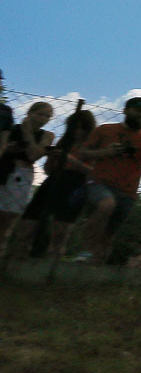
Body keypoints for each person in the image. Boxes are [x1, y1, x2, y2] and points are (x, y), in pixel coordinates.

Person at [78, 97, 141, 262]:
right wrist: (104, 153)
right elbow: (82, 153)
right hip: (100, 183)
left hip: (128, 190)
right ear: (125, 111)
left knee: (110, 232)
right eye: (138, 110)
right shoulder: (105, 130)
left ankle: (96, 263)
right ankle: (85, 250)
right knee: (106, 204)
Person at [13, 107, 96, 260]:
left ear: (87, 128)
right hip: (54, 180)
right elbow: (47, 169)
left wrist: (72, 161)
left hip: (76, 184)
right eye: (73, 126)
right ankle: (18, 260)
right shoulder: (64, 142)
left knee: (61, 231)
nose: (76, 130)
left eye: (81, 127)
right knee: (28, 224)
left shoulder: (93, 146)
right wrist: (52, 158)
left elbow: (95, 173)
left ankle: (51, 266)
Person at [0, 102, 55, 256]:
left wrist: (27, 132)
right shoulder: (11, 129)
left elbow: (33, 155)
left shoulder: (47, 135)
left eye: (47, 116)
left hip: (22, 176)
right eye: (40, 114)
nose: (43, 119)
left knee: (9, 218)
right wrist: (8, 149)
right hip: (5, 169)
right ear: (30, 113)